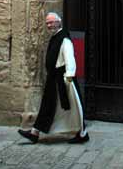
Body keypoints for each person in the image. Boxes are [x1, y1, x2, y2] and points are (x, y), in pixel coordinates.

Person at [18, 12, 89, 144]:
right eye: (47, 23)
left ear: (59, 22)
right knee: (48, 105)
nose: (49, 25)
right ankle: (35, 132)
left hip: (63, 79)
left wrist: (69, 76)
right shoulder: (55, 37)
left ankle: (82, 133)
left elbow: (69, 57)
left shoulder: (64, 38)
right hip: (54, 78)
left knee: (74, 106)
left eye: (51, 22)